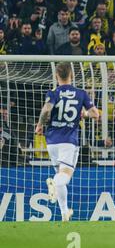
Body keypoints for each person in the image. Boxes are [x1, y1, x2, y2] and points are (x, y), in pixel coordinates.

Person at [35, 63, 99, 221]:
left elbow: (46, 109)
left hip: (51, 141)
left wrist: (39, 125)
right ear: (72, 75)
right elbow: (95, 114)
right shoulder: (81, 93)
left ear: (57, 76)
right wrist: (83, 113)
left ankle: (64, 213)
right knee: (64, 177)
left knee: (60, 176)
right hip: (68, 141)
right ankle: (53, 183)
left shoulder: (53, 93)